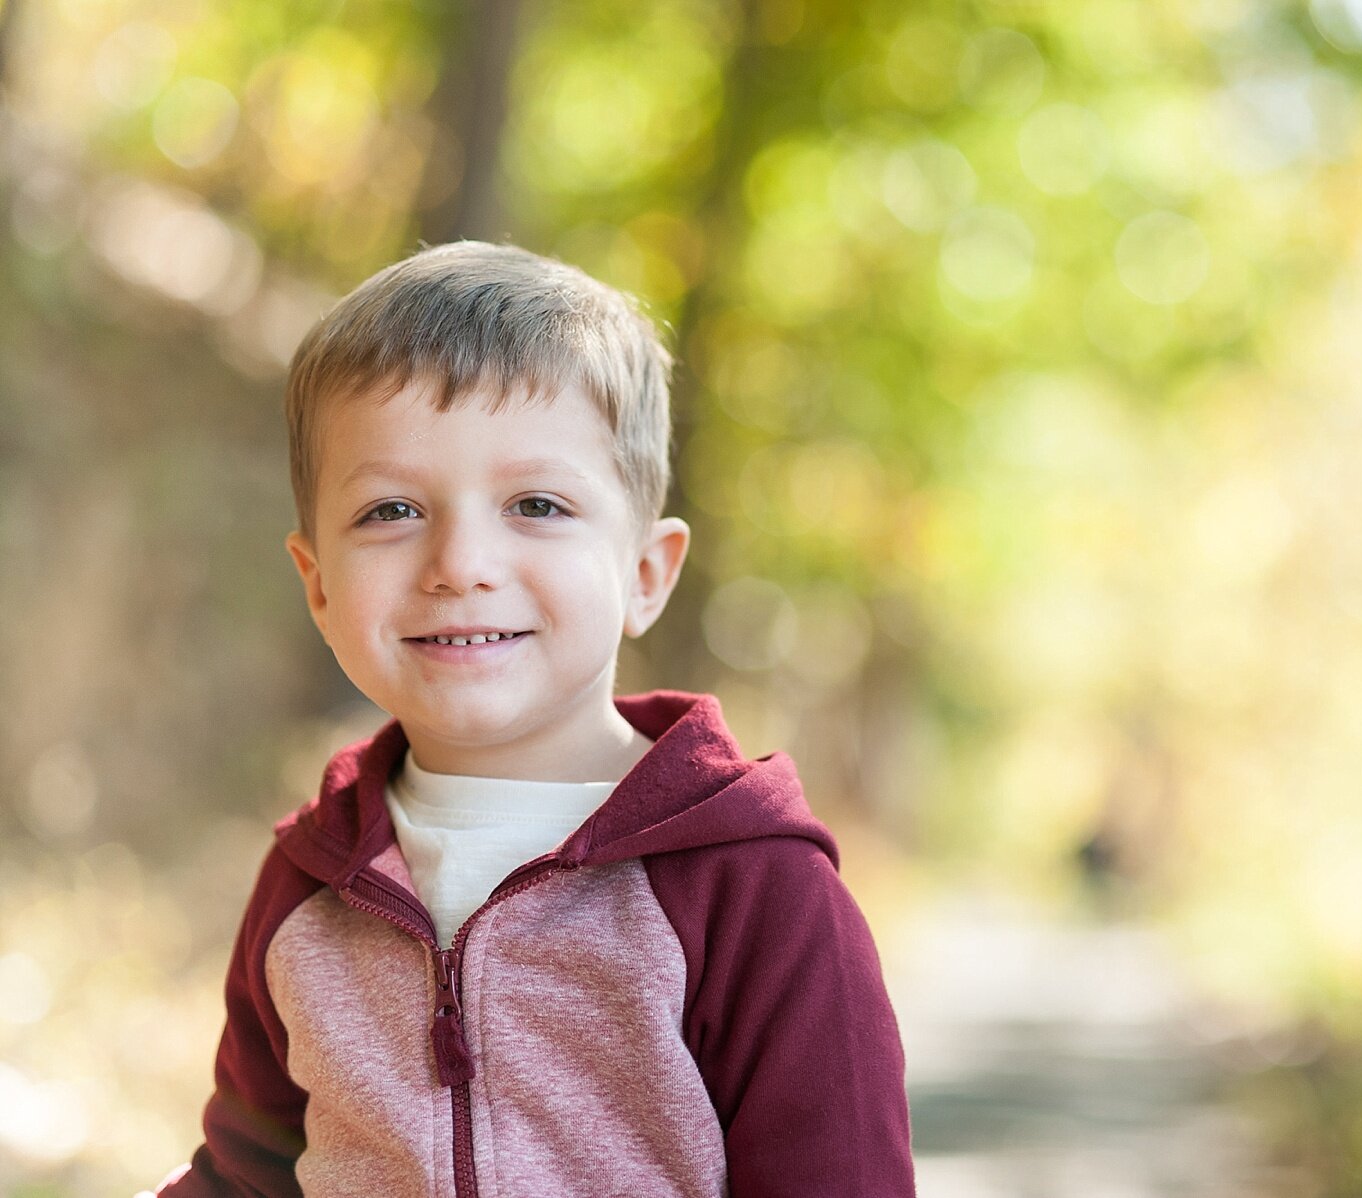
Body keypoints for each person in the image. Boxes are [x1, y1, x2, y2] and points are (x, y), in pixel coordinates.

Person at [148, 241, 915, 1197]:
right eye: (390, 510)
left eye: (537, 504)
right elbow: (246, 1179)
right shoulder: (311, 888)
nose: (460, 562)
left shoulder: (757, 892)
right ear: (316, 585)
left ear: (646, 574)